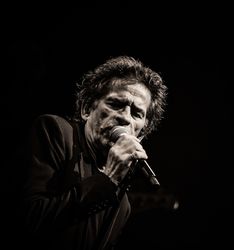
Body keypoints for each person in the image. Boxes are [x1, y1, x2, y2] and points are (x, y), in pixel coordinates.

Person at [20, 55, 168, 250]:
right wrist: (108, 178)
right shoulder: (55, 131)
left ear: (141, 133)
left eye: (136, 113)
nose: (125, 118)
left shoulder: (122, 203)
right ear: (87, 108)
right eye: (115, 104)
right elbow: (30, 220)